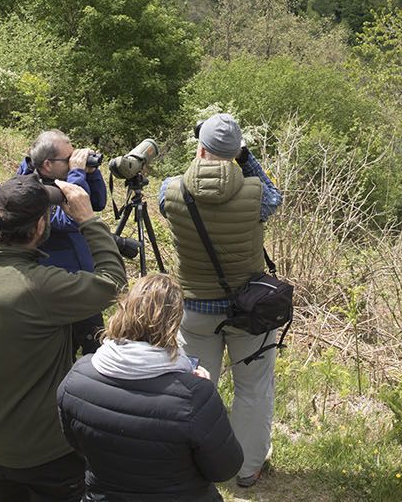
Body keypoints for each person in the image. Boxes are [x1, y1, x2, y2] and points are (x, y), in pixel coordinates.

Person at [0, 174, 125, 502]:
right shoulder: (42, 287)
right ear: (40, 227)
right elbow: (112, 282)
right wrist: (88, 219)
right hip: (46, 450)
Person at [157, 112, 283, 489]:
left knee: (196, 389)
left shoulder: (170, 190)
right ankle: (246, 470)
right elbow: (275, 196)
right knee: (253, 388)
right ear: (235, 152)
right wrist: (245, 159)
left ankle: (196, 465)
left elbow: (175, 199)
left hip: (194, 308)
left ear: (201, 148)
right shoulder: (256, 195)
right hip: (248, 310)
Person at [57, 273, 243, 501]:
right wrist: (206, 394)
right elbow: (225, 468)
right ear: (174, 324)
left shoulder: (77, 378)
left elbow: (76, 442)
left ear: (123, 311)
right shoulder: (195, 396)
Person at [16, 129, 108, 354]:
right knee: (61, 352)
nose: (73, 160)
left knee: (95, 348)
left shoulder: (61, 176)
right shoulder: (30, 189)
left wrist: (91, 172)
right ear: (47, 164)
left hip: (82, 280)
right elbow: (70, 218)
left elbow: (97, 202)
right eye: (68, 158)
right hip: (56, 284)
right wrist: (76, 174)